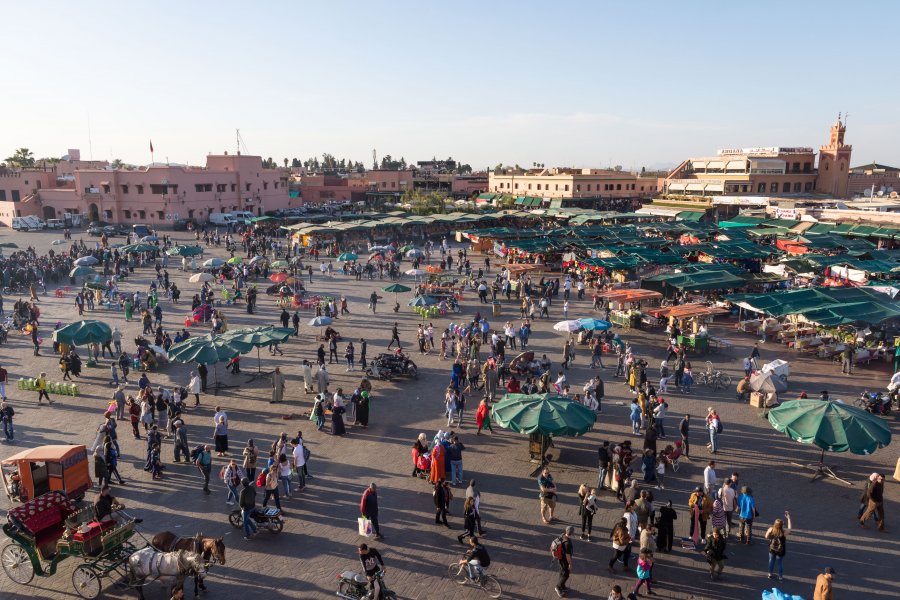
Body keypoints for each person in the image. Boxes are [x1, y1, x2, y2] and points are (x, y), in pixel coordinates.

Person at [764, 511, 792, 581]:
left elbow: (766, 536)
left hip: (772, 548)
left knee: (771, 561)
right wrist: (788, 518)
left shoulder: (771, 529)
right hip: (780, 550)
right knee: (780, 563)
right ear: (781, 526)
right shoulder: (784, 532)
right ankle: (780, 577)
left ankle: (770, 574)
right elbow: (790, 528)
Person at [553, 526, 574, 598]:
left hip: (560, 558)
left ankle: (562, 586)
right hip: (564, 560)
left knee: (562, 572)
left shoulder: (562, 535)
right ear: (572, 533)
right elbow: (568, 556)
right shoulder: (567, 543)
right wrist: (570, 564)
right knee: (566, 575)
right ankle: (558, 587)